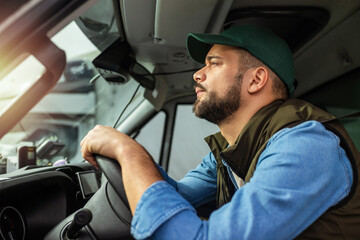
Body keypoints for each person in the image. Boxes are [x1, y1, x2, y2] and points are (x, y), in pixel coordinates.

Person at [80, 25, 360, 239]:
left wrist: (128, 153)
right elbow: (177, 194)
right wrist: (131, 159)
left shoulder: (307, 146)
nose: (197, 74)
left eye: (214, 63)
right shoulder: (229, 152)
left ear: (256, 80)